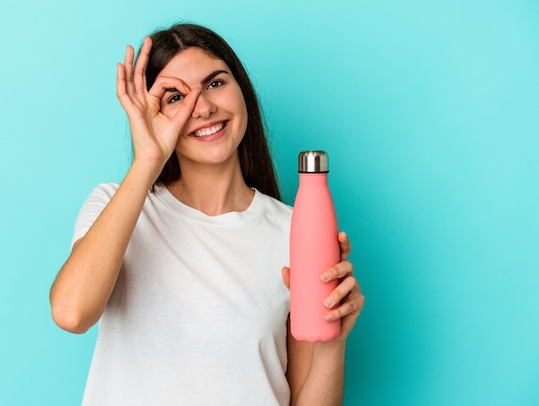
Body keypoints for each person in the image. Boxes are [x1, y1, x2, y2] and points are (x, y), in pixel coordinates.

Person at [50, 23, 364, 406]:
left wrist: (333, 342)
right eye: (175, 97)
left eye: (215, 83)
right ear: (151, 113)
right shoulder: (114, 205)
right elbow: (71, 312)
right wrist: (149, 158)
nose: (203, 107)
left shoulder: (293, 231)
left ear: (242, 90)